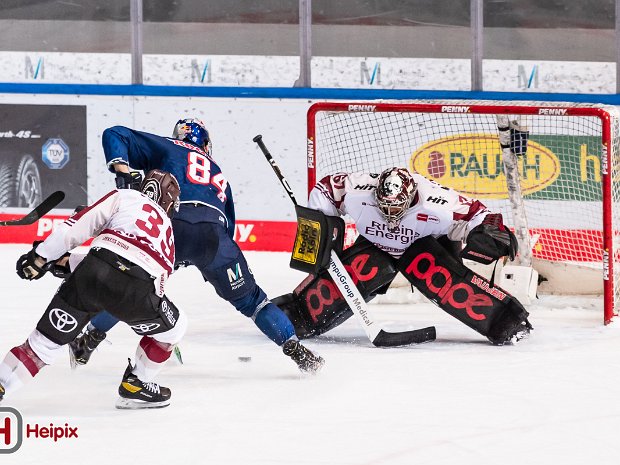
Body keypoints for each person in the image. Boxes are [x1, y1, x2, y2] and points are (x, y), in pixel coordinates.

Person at [70, 118, 323, 374]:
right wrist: (208, 260)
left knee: (132, 286)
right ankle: (295, 349)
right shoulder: (218, 173)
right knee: (253, 302)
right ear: (205, 143)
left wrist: (123, 172)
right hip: (215, 240)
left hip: (170, 227)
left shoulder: (168, 146)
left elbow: (115, 134)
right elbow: (228, 227)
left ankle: (89, 339)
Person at [274, 167, 531, 346]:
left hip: (422, 245)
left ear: (410, 198)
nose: (389, 213)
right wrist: (321, 225)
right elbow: (326, 189)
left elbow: (478, 214)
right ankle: (292, 315)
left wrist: (488, 231)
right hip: (376, 244)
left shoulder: (437, 202)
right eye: (383, 205)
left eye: (395, 207)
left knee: (442, 281)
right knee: (360, 272)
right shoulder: (359, 190)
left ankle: (507, 322)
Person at [0, 170, 186, 409]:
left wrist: (42, 257)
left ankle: (3, 383)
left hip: (92, 272)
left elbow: (77, 230)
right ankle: (137, 382)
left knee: (41, 346)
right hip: (138, 290)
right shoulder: (168, 233)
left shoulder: (126, 195)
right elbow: (154, 276)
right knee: (174, 330)